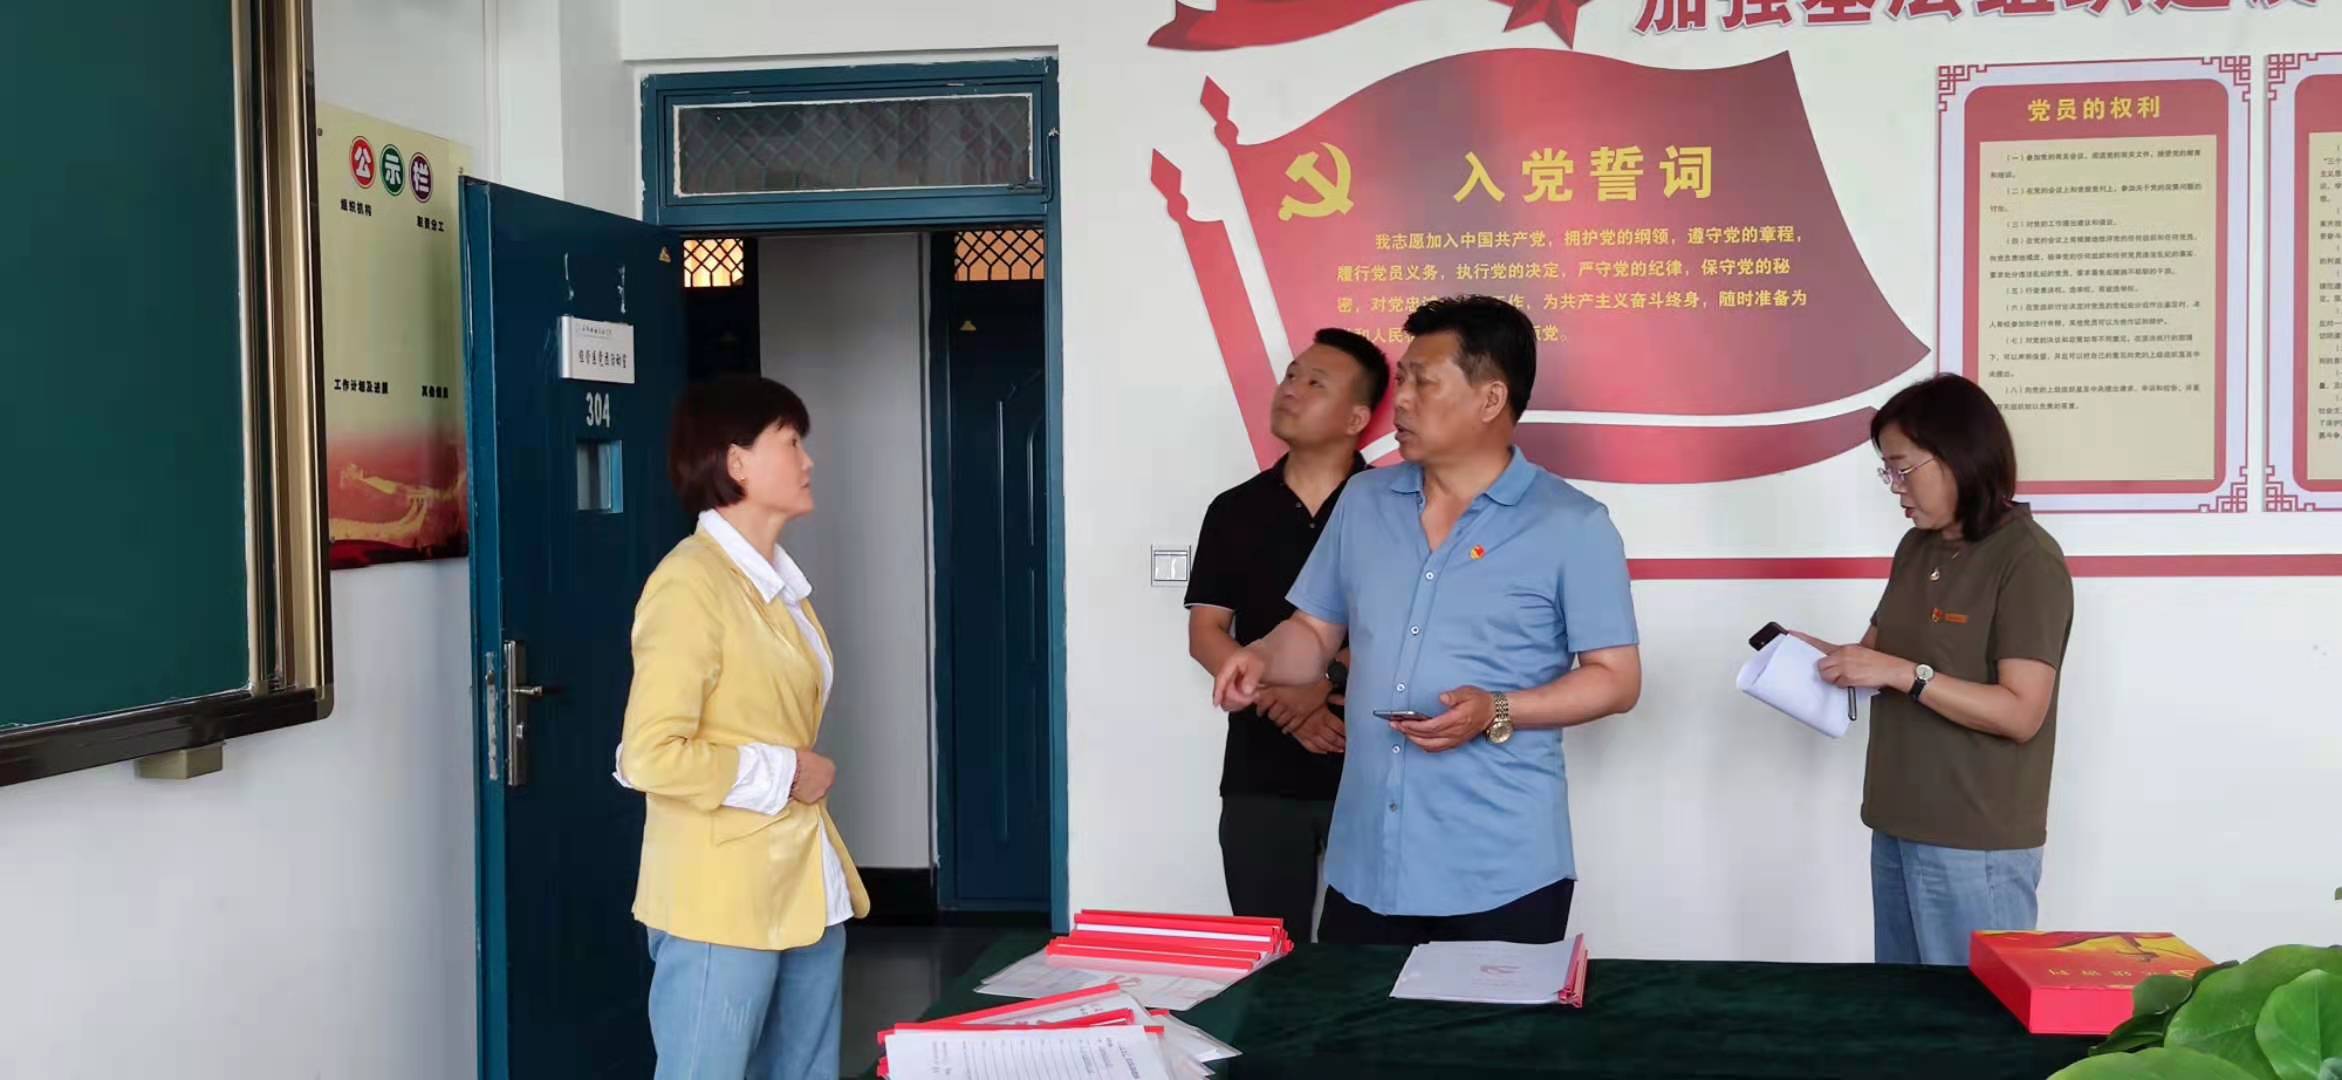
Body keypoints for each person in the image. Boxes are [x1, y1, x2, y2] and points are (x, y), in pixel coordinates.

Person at [1212, 295, 1642, 947]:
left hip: (1501, 869)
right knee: (1353, 1017)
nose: (1403, 401)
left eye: (1424, 382)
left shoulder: (1571, 524)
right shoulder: (1365, 501)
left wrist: (1497, 709)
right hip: (1367, 864)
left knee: (1483, 1021)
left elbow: (1616, 679)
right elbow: (1314, 632)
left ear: (1490, 399)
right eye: (1402, 379)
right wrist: (1261, 658)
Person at [614, 375, 868, 1080]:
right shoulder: (689, 583)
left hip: (804, 887)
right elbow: (649, 754)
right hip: (720, 899)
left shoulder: (777, 584)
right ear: (736, 462)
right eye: (791, 442)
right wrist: (789, 770)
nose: (808, 460)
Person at [1791, 373, 2074, 967]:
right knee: (1904, 1012)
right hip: (1897, 825)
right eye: (1887, 473)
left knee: (1969, 1016)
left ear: (1957, 457)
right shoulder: (1915, 549)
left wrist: (1906, 675)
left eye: (1902, 469)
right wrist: (1803, 654)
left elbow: (2021, 712)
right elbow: (1873, 659)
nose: (1895, 488)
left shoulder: (2027, 560)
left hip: (1975, 843)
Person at [1185, 328, 1391, 941]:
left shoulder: (1395, 507)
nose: (1291, 390)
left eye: (1315, 383)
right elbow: (1206, 632)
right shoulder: (1235, 509)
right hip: (1260, 773)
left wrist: (1324, 681)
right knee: (1267, 953)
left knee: (1375, 959)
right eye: (1291, 375)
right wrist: (1280, 701)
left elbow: (1408, 629)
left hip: (1370, 768)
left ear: (1357, 418)